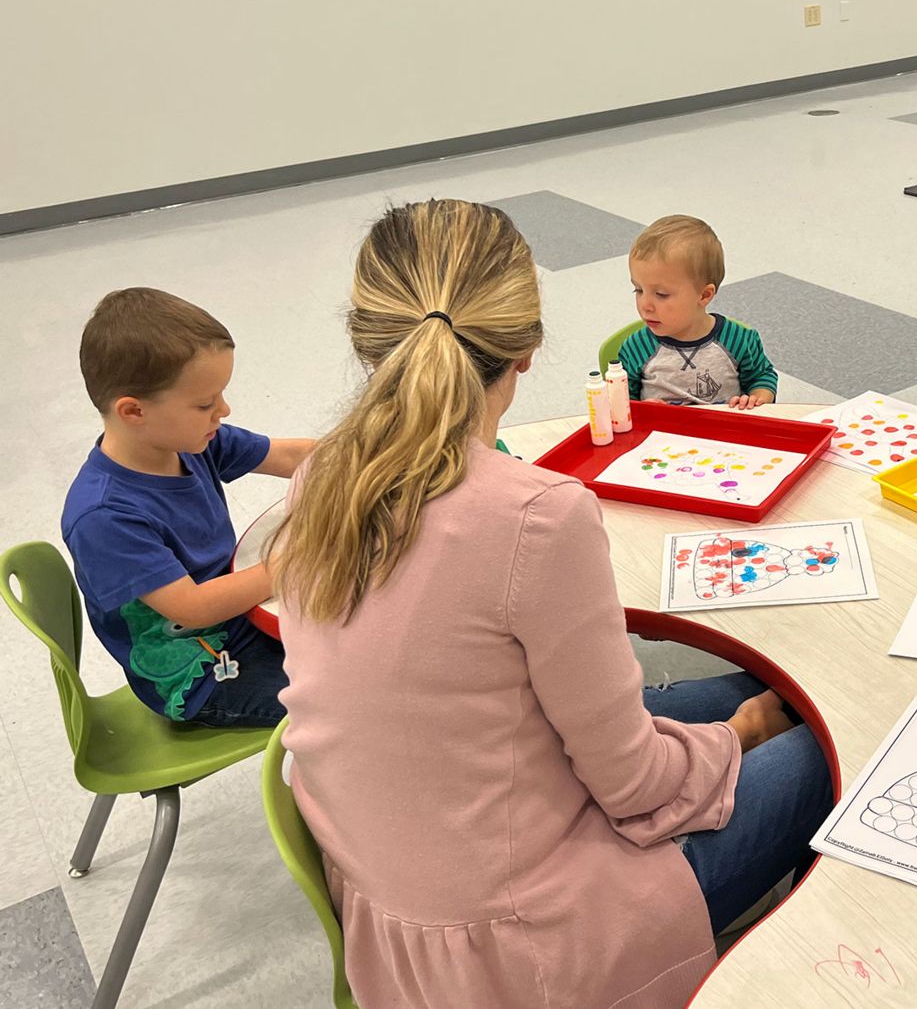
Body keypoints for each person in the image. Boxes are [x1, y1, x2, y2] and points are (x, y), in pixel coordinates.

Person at [274, 199, 830, 1008]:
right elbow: (635, 787)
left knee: (755, 694)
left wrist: (730, 729)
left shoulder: (317, 478)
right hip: (524, 949)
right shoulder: (538, 514)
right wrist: (738, 738)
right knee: (826, 740)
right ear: (527, 349)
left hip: (396, 916)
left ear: (368, 340)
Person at [61, 288, 313, 726]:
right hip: (202, 673)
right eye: (205, 403)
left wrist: (379, 456)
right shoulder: (104, 517)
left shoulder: (190, 441)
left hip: (240, 619)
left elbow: (293, 457)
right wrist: (301, 558)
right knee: (351, 698)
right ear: (133, 411)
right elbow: (193, 608)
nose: (223, 410)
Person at [617, 214, 778, 407]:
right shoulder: (635, 348)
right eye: (639, 290)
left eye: (661, 294)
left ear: (703, 295)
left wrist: (757, 398)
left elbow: (762, 376)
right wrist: (642, 409)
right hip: (663, 435)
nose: (645, 304)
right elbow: (621, 404)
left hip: (725, 432)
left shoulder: (739, 340)